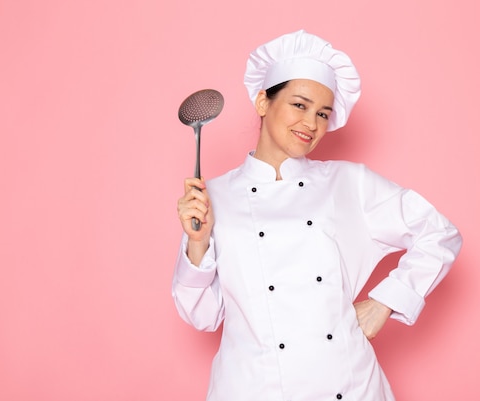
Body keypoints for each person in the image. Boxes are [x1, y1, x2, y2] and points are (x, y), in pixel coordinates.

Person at [173, 30, 462, 401]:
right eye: (299, 104)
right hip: (251, 389)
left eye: (322, 113)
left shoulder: (347, 182)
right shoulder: (212, 197)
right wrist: (197, 244)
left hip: (347, 385)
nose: (311, 123)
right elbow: (203, 316)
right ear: (263, 102)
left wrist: (386, 302)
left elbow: (439, 233)